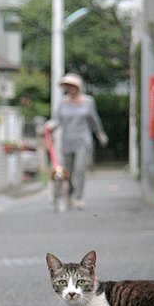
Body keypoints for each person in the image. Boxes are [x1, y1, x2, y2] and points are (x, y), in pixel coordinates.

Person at [45, 73, 108, 209]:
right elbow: (57, 120)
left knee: (79, 170)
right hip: (67, 141)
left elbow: (94, 119)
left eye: (73, 86)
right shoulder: (62, 102)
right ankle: (69, 194)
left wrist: (99, 133)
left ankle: (78, 197)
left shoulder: (88, 101)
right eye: (68, 86)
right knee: (68, 171)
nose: (71, 88)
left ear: (78, 87)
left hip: (83, 140)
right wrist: (49, 127)